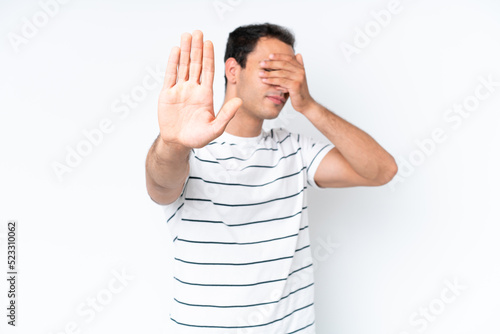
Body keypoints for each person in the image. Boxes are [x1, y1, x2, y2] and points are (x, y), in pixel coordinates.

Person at [145, 23, 397, 334]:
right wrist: (173, 143)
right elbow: (160, 185)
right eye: (271, 70)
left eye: (290, 73)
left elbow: (381, 171)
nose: (283, 85)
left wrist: (309, 106)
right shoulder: (187, 148)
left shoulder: (293, 149)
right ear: (233, 70)